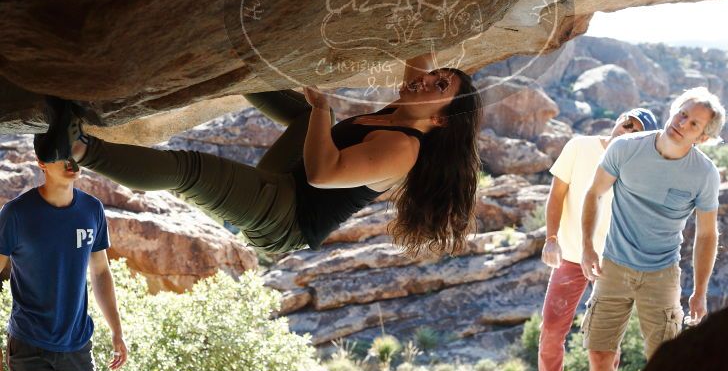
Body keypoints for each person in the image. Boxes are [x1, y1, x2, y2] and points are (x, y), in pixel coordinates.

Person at [35, 54, 483, 255]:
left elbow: (325, 174)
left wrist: (325, 107)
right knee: (311, 118)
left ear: (442, 120)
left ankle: (75, 147)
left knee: (190, 170)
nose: (425, 81)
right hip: (286, 181)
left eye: (439, 86)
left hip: (283, 221)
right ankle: (237, 65)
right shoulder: (404, 111)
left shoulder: (403, 148)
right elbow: (419, 56)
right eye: (433, 76)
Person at [580, 87, 725, 371]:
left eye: (693, 124)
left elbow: (707, 234)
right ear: (673, 109)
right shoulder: (625, 148)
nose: (682, 123)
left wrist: (700, 291)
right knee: (599, 355)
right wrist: (587, 247)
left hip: (662, 274)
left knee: (665, 363)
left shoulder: (704, 174)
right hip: (613, 267)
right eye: (682, 114)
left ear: (703, 138)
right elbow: (594, 193)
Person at [538, 108, 659, 371]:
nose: (628, 131)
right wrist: (551, 239)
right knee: (552, 330)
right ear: (618, 120)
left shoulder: (639, 170)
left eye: (637, 131)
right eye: (627, 123)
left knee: (607, 340)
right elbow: (556, 195)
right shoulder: (579, 146)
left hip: (612, 263)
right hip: (570, 255)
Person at [0, 150, 128, 371]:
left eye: (74, 153)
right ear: (42, 163)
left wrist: (117, 331)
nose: (71, 161)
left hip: (77, 346)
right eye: (61, 155)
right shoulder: (15, 213)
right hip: (28, 347)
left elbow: (100, 272)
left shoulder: (92, 209)